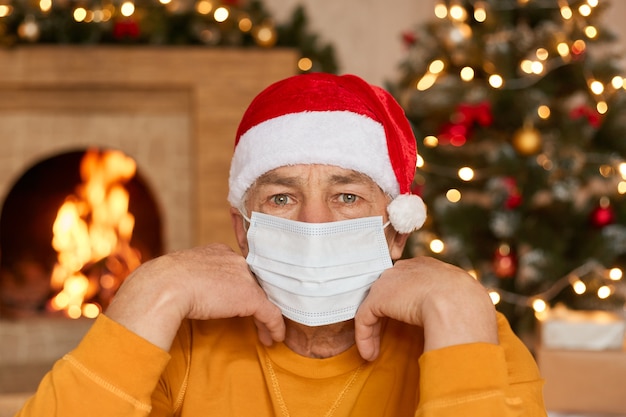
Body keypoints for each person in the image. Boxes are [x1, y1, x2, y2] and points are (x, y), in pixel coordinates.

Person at [16, 72, 547, 417]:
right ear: (243, 228)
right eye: (281, 198)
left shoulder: (467, 331)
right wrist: (153, 288)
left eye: (346, 196)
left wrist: (456, 306)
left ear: (397, 230)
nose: (314, 223)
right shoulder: (182, 338)